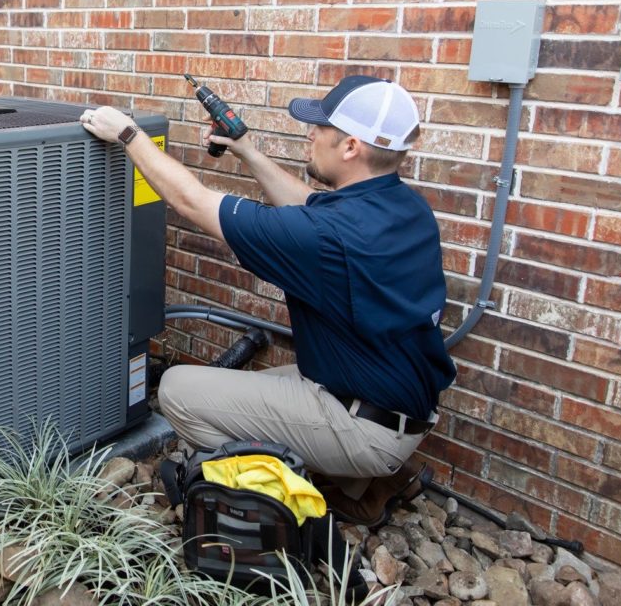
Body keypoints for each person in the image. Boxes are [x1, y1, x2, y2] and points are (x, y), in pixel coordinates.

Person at [79, 75, 456, 527]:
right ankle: (364, 483)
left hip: (363, 426)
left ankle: (284, 504)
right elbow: (307, 205)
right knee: (264, 388)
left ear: (351, 146)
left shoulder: (327, 237)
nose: (311, 134)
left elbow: (192, 202)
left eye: (321, 128)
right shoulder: (402, 207)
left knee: (178, 390)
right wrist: (247, 150)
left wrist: (128, 134)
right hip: (393, 403)